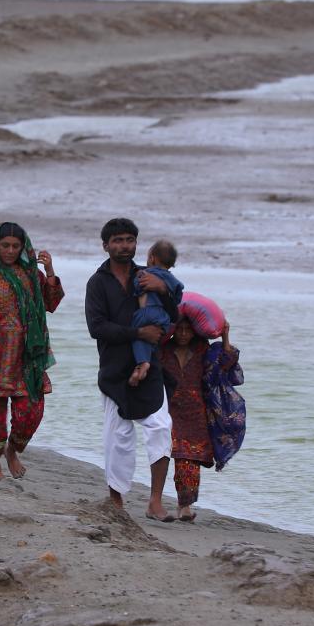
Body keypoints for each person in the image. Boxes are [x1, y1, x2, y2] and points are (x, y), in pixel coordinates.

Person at [85, 218, 181, 522]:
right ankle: (116, 500)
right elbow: (96, 327)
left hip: (150, 366)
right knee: (118, 437)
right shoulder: (97, 283)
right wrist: (137, 334)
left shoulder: (148, 275)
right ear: (106, 246)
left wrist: (163, 290)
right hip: (114, 370)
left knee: (161, 426)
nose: (124, 246)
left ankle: (155, 502)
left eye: (129, 240)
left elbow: (173, 315)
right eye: (117, 240)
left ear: (137, 244)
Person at [0, 223, 64, 480]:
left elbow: (51, 303)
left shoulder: (32, 277)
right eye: (5, 245)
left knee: (31, 411)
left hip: (27, 357)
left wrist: (49, 270)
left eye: (16, 246)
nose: (10, 251)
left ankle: (13, 449)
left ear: (23, 247)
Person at [159, 317, 240, 521]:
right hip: (170, 410)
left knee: (190, 458)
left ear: (194, 331)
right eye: (180, 329)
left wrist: (225, 335)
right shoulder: (164, 350)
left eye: (188, 330)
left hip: (196, 412)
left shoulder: (204, 351)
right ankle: (174, 504)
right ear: (173, 330)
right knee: (175, 455)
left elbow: (227, 361)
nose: (184, 334)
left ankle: (184, 505)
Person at [128, 239, 183, 387]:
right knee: (150, 338)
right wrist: (165, 289)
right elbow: (178, 295)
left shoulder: (145, 273)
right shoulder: (172, 279)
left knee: (136, 334)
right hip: (163, 318)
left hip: (146, 313)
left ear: (152, 258)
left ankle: (143, 362)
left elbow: (138, 288)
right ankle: (143, 364)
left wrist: (137, 281)